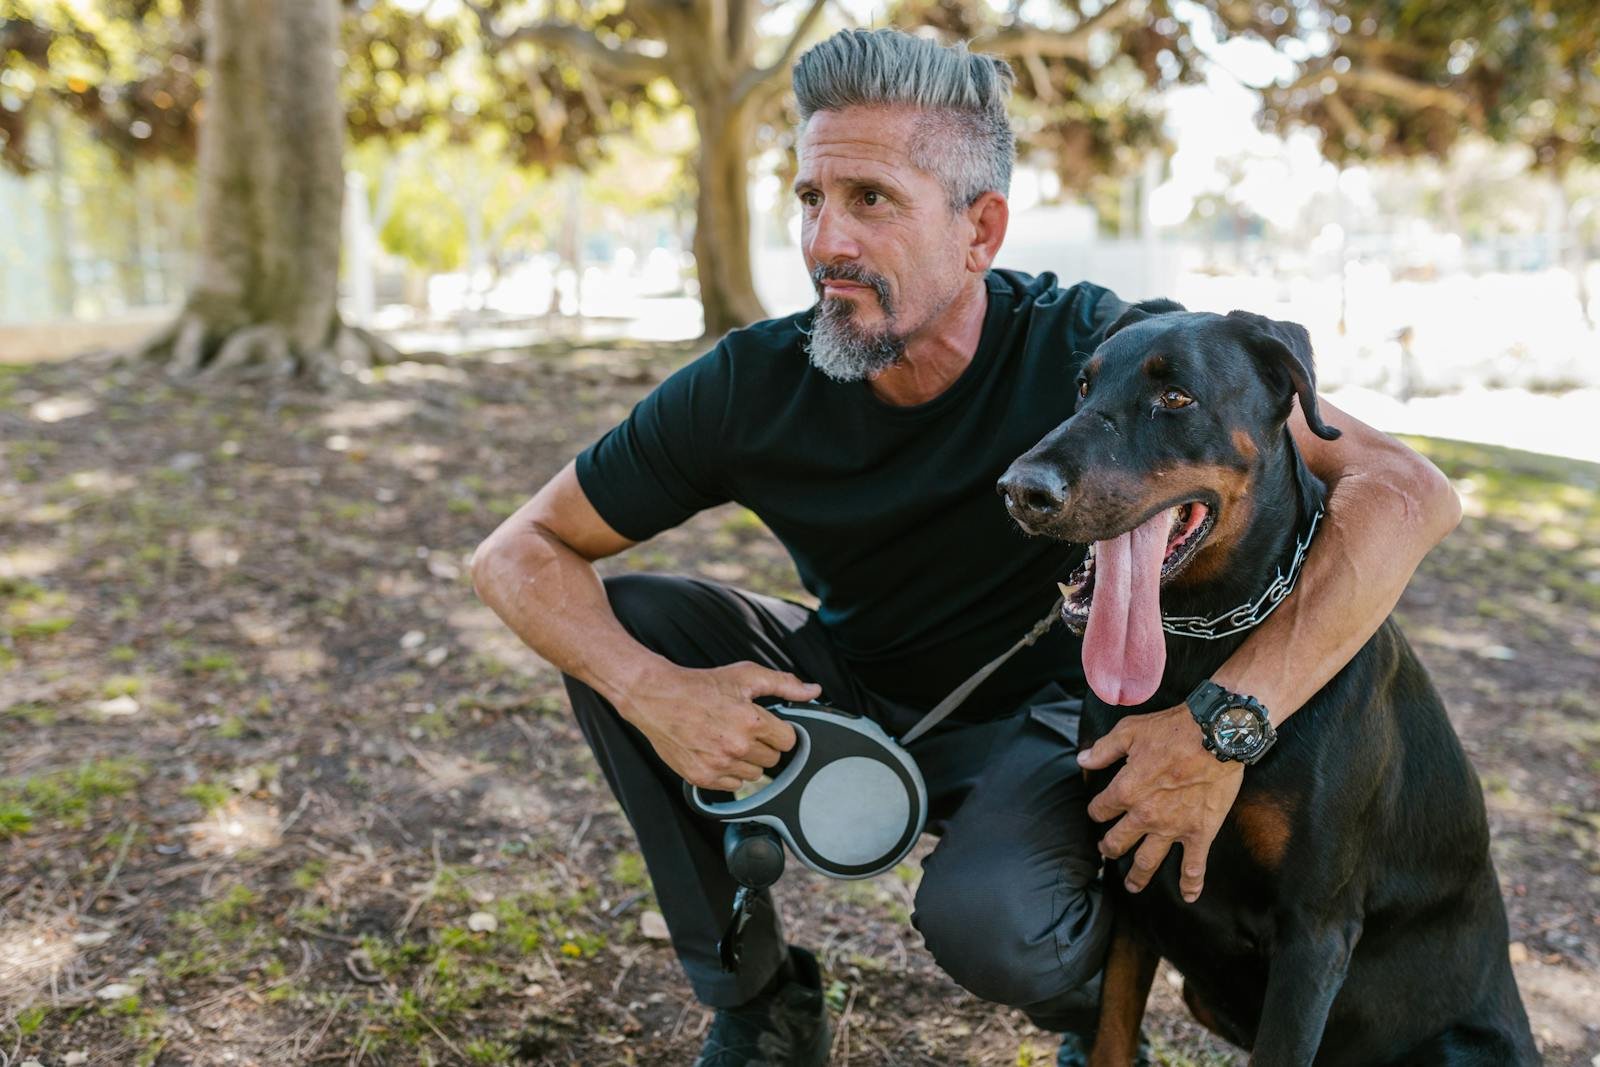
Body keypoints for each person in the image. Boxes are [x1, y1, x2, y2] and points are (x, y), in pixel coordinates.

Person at [471, 28, 1460, 1067]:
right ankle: (758, 1002)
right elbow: (515, 550)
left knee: (994, 921)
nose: (825, 241)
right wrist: (646, 686)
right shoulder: (749, 382)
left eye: (871, 200)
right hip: (855, 683)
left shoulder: (1107, 350)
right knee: (628, 625)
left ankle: (1094, 1014)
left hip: (1056, 724)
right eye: (810, 198)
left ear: (980, 227)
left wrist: (1227, 719)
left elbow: (1407, 492)